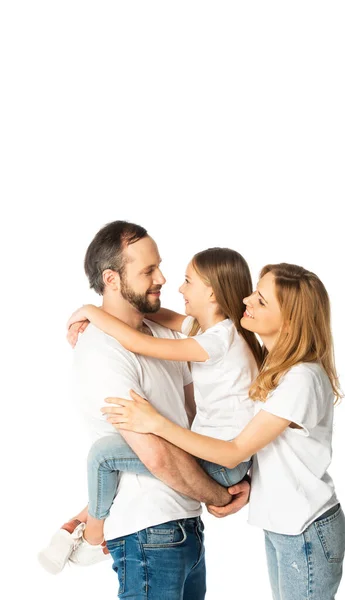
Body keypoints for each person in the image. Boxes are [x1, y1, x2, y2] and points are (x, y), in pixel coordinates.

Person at [102, 263, 345, 600]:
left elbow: (234, 450)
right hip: (288, 525)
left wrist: (156, 423)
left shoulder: (300, 379)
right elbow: (275, 449)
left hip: (304, 528)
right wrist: (249, 486)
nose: (246, 299)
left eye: (261, 300)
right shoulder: (275, 364)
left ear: (288, 321)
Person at [38, 220, 249, 600]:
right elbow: (153, 454)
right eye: (148, 270)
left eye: (160, 266)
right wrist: (220, 495)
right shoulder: (101, 349)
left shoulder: (171, 335)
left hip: (184, 527)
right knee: (105, 456)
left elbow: (190, 418)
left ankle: (86, 525)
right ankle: (91, 529)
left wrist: (226, 478)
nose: (163, 278)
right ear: (113, 279)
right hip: (149, 535)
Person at [64, 245, 264, 550]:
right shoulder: (214, 330)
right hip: (225, 458)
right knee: (130, 454)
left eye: (188, 281)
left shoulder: (215, 342)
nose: (178, 286)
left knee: (104, 455)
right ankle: (89, 515)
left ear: (211, 294)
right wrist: (110, 315)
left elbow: (137, 342)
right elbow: (163, 316)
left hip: (221, 462)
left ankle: (93, 535)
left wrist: (91, 311)